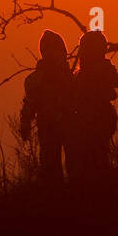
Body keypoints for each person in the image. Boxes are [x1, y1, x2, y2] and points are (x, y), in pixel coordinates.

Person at [20, 30, 73, 185]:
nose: (60, 55)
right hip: (48, 127)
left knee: (75, 163)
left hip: (70, 126)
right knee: (50, 167)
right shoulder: (38, 79)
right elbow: (29, 103)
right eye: (56, 51)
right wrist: (25, 124)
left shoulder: (70, 76)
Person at [68, 29, 118, 187]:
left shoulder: (88, 72)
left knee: (92, 156)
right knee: (98, 154)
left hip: (93, 118)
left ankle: (94, 189)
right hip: (101, 116)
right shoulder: (104, 68)